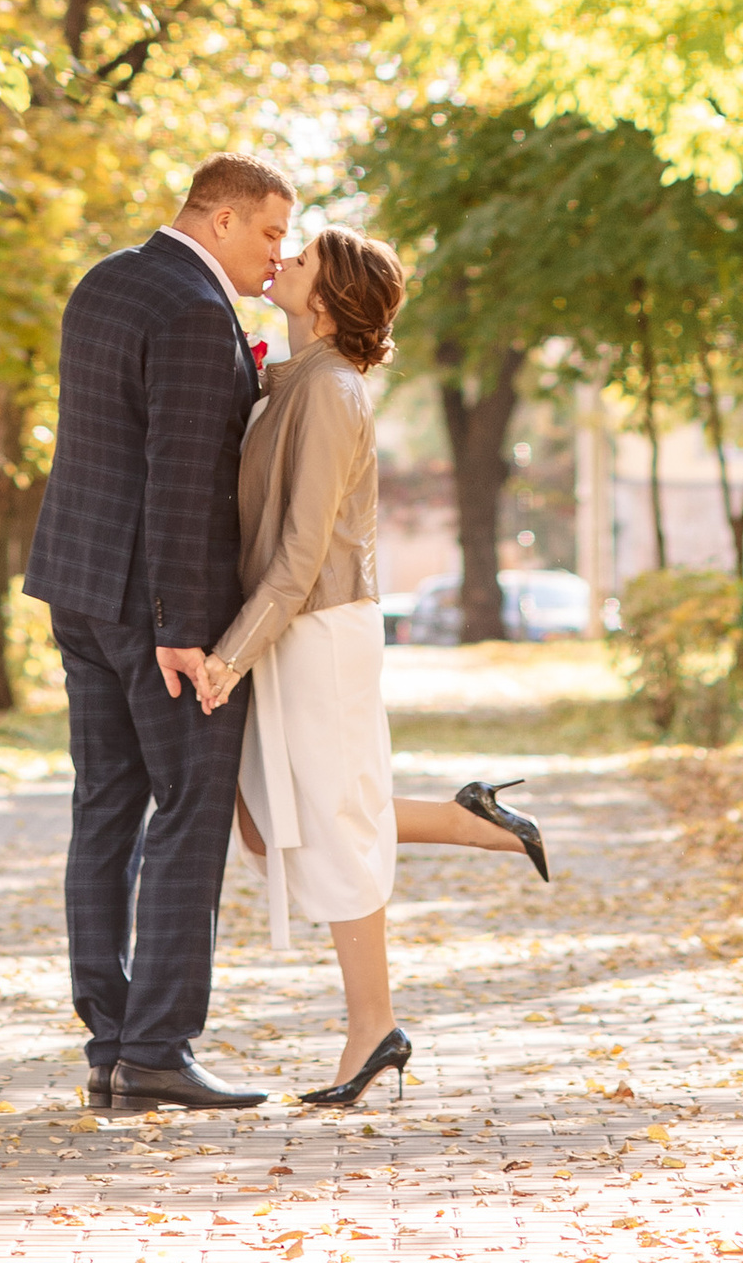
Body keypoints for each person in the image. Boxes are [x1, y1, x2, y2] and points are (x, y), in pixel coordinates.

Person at [197, 225, 549, 1108]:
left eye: (301, 259)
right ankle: (470, 819)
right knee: (270, 826)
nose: (283, 260)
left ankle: (374, 1030)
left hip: (315, 630)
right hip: (288, 625)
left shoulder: (333, 390)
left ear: (325, 299)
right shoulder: (299, 378)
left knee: (331, 825)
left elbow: (304, 548)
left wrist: (231, 657)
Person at [21, 150, 294, 1114]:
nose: (279, 253)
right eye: (269, 232)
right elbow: (178, 473)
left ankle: (110, 1042)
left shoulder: (106, 280)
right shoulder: (191, 307)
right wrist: (183, 624)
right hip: (157, 611)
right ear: (220, 219)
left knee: (104, 809)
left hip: (80, 588)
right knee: (188, 807)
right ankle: (158, 1050)